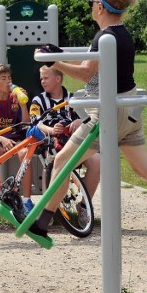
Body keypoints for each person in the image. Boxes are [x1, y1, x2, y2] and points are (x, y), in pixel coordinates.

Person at [28, 0, 147, 240]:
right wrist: (60, 54)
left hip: (110, 115)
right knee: (146, 168)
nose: (91, 6)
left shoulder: (104, 37)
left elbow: (86, 72)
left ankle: (42, 223)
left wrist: (55, 61)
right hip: (130, 110)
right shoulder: (121, 34)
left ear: (100, 7)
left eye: (93, 2)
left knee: (62, 161)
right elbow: (93, 62)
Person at [29, 65, 101, 225]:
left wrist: (79, 121)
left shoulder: (73, 99)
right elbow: (36, 122)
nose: (42, 81)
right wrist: (52, 130)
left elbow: (90, 117)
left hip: (74, 140)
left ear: (58, 79)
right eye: (41, 78)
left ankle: (84, 206)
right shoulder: (38, 100)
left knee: (97, 162)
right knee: (50, 161)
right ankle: (47, 210)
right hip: (51, 141)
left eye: (45, 78)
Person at [0, 64, 34, 214]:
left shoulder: (15, 100)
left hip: (16, 139)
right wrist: (2, 140)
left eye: (9, 78)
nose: (8, 81)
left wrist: (23, 105)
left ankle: (26, 200)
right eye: (4, 78)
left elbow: (25, 123)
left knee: (25, 154)